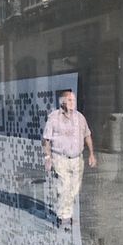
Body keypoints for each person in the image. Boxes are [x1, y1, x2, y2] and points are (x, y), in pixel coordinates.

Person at [41, 89, 96, 230]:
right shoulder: (53, 118)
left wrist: (91, 154)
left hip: (77, 159)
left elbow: (87, 135)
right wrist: (47, 157)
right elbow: (46, 139)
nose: (72, 103)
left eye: (74, 100)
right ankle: (63, 217)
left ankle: (66, 212)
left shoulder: (80, 118)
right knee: (64, 186)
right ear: (62, 102)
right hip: (60, 158)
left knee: (74, 189)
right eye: (69, 100)